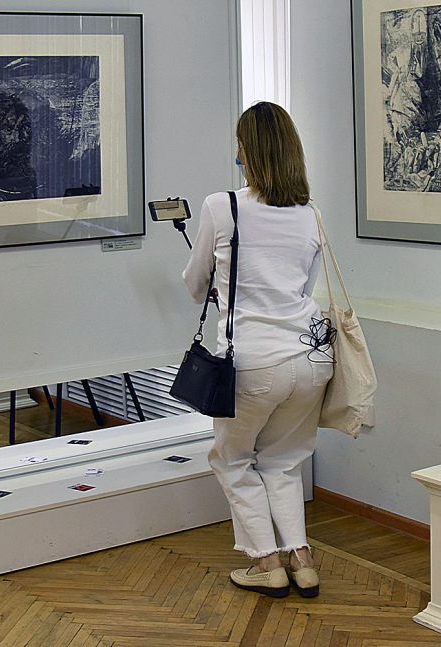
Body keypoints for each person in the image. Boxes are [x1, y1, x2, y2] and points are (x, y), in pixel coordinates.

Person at [182, 102, 332, 598]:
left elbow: (195, 285)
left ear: (246, 149)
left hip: (252, 361)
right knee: (284, 462)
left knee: (232, 460)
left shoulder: (221, 206)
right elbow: (304, 288)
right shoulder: (310, 215)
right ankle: (302, 561)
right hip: (310, 358)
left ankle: (267, 564)